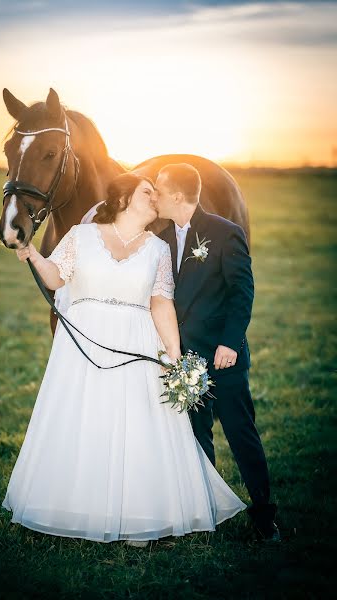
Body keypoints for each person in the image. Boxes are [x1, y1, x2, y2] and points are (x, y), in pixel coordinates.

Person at [2, 172, 246, 547]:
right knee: (84, 421)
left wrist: (175, 358)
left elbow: (161, 302)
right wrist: (32, 253)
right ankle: (74, 506)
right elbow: (55, 279)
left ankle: (138, 516)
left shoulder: (157, 248)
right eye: (148, 192)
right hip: (84, 346)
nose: (155, 198)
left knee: (136, 427)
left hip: (136, 344)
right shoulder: (82, 237)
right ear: (123, 198)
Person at [153, 163, 280, 542]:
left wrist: (229, 342)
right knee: (195, 434)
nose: (154, 197)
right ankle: (204, 510)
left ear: (177, 195)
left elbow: (242, 292)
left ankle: (263, 514)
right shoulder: (159, 236)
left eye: (159, 191)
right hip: (184, 357)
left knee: (241, 432)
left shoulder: (225, 233)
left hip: (223, 355)